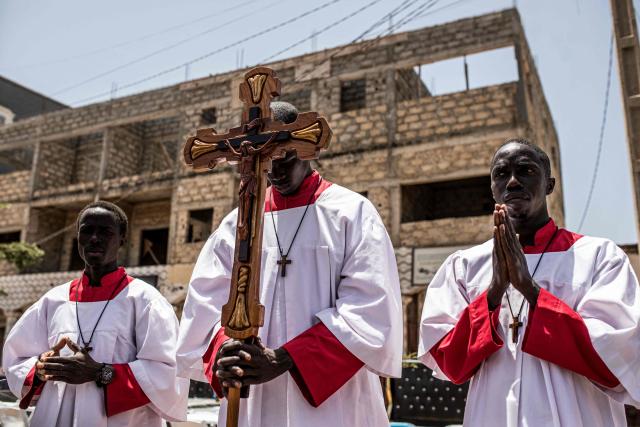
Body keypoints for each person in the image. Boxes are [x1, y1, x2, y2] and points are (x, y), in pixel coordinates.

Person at [176, 101, 403, 427]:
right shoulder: (234, 226)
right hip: (251, 394)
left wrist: (286, 358)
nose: (274, 170)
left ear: (307, 148)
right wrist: (225, 352)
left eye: (285, 156)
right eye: (264, 160)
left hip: (330, 400)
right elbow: (205, 307)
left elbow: (370, 310)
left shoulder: (350, 213)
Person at [418, 138, 640, 427]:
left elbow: (617, 357)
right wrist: (493, 294)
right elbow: (449, 361)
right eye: (501, 174)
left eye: (525, 170)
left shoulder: (598, 256)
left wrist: (530, 290)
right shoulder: (464, 266)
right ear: (492, 188)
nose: (512, 182)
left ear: (549, 184)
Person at [2, 201, 188, 426]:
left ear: (122, 239)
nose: (94, 238)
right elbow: (16, 359)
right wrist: (41, 368)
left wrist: (100, 372)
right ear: (77, 236)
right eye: (87, 230)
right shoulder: (52, 301)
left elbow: (168, 374)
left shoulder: (146, 301)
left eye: (105, 232)